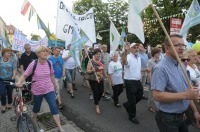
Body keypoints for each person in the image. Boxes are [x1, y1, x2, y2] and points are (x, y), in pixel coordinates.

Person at [151, 34, 200, 132]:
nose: (182, 48)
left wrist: (195, 111)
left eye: (183, 45)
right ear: (167, 48)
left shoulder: (181, 65)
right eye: (177, 45)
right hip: (167, 118)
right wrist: (185, 95)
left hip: (181, 116)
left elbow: (188, 92)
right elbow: (157, 96)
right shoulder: (161, 68)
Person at [16, 46, 64, 132]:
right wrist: (19, 82)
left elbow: (52, 75)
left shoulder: (49, 63)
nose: (46, 53)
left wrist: (55, 86)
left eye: (46, 51)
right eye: (43, 51)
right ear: (38, 54)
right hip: (37, 91)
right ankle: (33, 119)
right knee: (36, 108)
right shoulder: (33, 64)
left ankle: (60, 127)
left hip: (49, 89)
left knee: (53, 106)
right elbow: (25, 75)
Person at [121, 43, 144, 124]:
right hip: (130, 81)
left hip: (137, 80)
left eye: (137, 47)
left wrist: (145, 69)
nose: (136, 49)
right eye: (134, 47)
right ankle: (132, 116)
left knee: (140, 95)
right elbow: (124, 62)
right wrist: (125, 52)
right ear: (130, 49)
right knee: (132, 99)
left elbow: (138, 68)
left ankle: (127, 105)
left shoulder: (139, 57)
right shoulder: (128, 56)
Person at [86, 48, 107, 114]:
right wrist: (92, 70)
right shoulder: (91, 62)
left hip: (100, 78)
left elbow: (103, 69)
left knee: (101, 92)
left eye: (99, 54)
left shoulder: (101, 61)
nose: (98, 55)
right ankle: (97, 106)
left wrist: (106, 76)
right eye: (97, 54)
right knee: (96, 92)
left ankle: (96, 100)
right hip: (93, 79)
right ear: (94, 55)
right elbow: (87, 71)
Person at [0, 48, 17, 113]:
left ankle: (9, 103)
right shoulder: (0, 59)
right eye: (8, 53)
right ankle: (3, 105)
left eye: (10, 53)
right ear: (3, 54)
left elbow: (14, 69)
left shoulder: (13, 60)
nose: (9, 54)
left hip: (10, 79)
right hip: (1, 79)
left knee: (10, 92)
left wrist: (14, 75)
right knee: (2, 93)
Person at [147, 47, 161, 113]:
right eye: (158, 53)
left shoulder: (159, 60)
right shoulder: (150, 61)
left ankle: (157, 106)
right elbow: (149, 71)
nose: (159, 54)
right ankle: (150, 106)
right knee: (151, 94)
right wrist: (151, 81)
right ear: (154, 54)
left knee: (158, 93)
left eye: (159, 53)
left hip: (159, 80)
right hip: (152, 80)